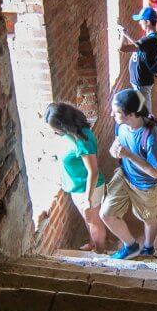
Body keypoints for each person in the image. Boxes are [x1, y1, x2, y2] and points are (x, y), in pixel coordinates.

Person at [100, 89, 157, 259]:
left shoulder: (151, 136)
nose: (112, 115)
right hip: (125, 175)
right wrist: (114, 150)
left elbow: (156, 173)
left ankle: (148, 248)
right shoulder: (120, 125)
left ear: (132, 114)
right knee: (106, 214)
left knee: (148, 219)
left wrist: (128, 155)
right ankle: (131, 246)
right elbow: (117, 142)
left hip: (145, 185)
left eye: (117, 112)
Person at [45, 102, 107, 253]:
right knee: (89, 220)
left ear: (64, 125)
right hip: (77, 186)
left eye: (56, 130)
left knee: (94, 222)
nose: (55, 133)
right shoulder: (72, 132)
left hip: (87, 188)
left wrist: (88, 198)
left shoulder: (82, 141)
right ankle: (92, 244)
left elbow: (93, 171)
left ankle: (100, 252)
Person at [118, 6, 157, 113]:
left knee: (145, 112)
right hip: (141, 80)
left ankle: (148, 128)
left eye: (141, 20)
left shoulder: (151, 39)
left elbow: (123, 48)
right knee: (142, 107)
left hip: (142, 82)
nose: (139, 23)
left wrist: (123, 34)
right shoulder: (150, 37)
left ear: (147, 22)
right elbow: (136, 46)